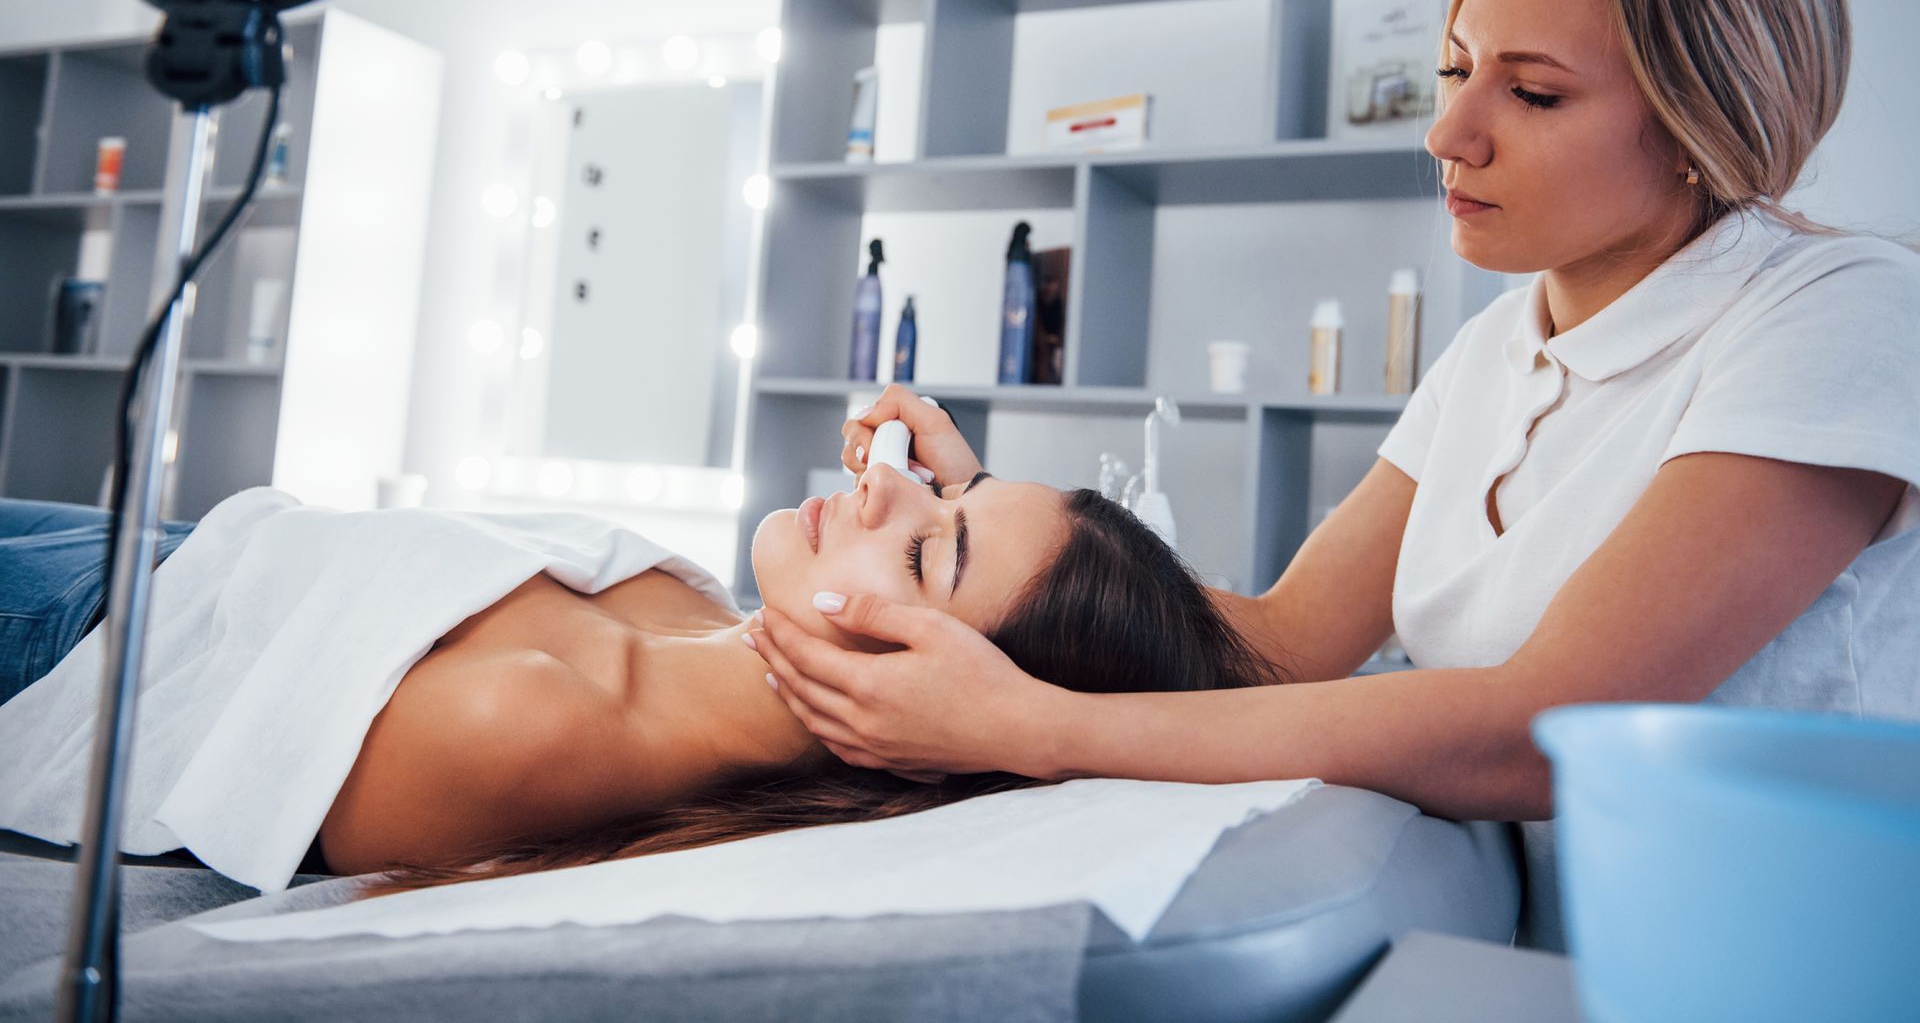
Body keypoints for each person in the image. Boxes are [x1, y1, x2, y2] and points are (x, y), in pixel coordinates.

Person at [748, 0, 1920, 952]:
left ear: (1700, 120)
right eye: (1455, 69)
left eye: (1533, 94)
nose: (1449, 132)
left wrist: (1040, 727)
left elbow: (1549, 730)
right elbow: (1281, 641)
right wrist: (983, 518)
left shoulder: (1841, 313)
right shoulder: (1495, 353)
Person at [0, 462, 1275, 892]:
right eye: (949, 484)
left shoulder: (530, 727)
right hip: (172, 547)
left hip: (76, 644)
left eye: (928, 548)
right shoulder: (710, 617)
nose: (886, 482)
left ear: (936, 704)